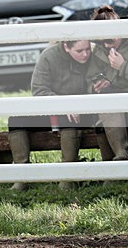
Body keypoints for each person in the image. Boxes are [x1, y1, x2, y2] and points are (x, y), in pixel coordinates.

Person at [7, 40, 93, 191]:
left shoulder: (94, 56)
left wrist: (79, 104)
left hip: (83, 110)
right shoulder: (48, 57)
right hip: (53, 108)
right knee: (16, 119)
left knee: (70, 120)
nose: (85, 54)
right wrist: (62, 105)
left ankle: (67, 177)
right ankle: (22, 176)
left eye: (87, 49)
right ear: (66, 47)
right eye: (79, 51)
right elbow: (39, 89)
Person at [87, 6, 128, 161]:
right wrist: (96, 84)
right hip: (112, 107)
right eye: (102, 42)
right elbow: (89, 79)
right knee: (101, 120)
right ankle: (119, 159)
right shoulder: (98, 49)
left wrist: (123, 66)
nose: (107, 46)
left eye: (110, 41)